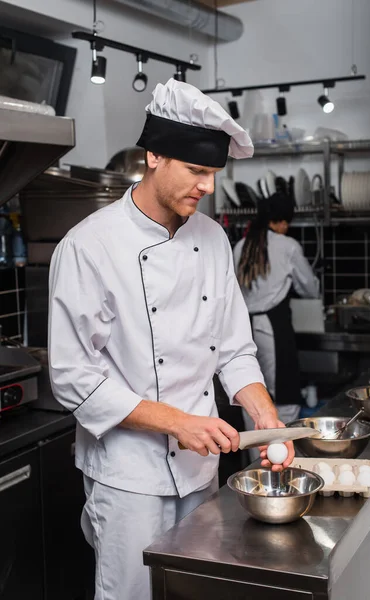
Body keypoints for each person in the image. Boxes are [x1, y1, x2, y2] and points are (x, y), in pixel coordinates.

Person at [48, 78, 294, 600]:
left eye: (214, 174)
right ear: (154, 155)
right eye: (197, 171)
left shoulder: (212, 239)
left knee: (194, 593)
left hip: (201, 469)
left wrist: (266, 417)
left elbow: (234, 348)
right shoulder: (89, 247)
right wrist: (177, 422)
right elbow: (73, 379)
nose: (207, 187)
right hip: (128, 475)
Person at [233, 192, 320, 430]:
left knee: (250, 393)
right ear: (281, 221)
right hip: (273, 326)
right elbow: (309, 288)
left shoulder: (242, 245)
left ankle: (253, 457)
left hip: (243, 328)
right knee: (283, 394)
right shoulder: (287, 246)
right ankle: (281, 456)